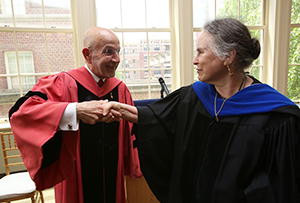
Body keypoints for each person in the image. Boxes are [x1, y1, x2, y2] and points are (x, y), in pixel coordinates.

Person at [101, 18, 300, 203]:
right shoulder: (194, 96)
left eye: (201, 52)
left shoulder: (275, 116)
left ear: (228, 56)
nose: (195, 60)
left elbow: (281, 184)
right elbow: (159, 119)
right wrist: (122, 110)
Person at [9, 27, 142, 203]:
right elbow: (22, 113)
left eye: (118, 51)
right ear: (87, 55)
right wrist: (74, 111)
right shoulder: (63, 83)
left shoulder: (120, 88)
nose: (116, 59)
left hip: (113, 174)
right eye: (108, 51)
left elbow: (131, 133)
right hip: (75, 176)